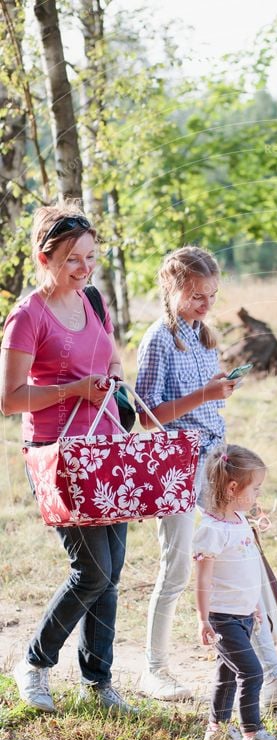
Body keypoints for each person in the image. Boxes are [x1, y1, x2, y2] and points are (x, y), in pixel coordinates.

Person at [135, 246, 277, 704]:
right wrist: (204, 394)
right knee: (179, 567)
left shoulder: (204, 336)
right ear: (172, 287)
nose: (206, 304)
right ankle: (154, 668)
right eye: (197, 295)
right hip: (177, 465)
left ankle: (273, 675)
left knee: (243, 561)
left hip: (216, 463)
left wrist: (219, 388)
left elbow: (205, 402)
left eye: (212, 294)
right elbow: (146, 416)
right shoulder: (159, 339)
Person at [0, 204, 135, 713]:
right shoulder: (28, 315)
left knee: (112, 569)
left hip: (106, 450)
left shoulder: (93, 300)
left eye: (91, 256)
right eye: (73, 259)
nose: (84, 268)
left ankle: (98, 682)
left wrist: (112, 382)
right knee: (92, 570)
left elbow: (112, 358)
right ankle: (33, 664)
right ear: (44, 257)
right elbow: (9, 398)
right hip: (57, 457)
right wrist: (74, 391)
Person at [194, 444, 277, 740]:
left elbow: (243, 571)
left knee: (226, 674)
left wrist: (254, 605)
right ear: (233, 487)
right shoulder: (212, 530)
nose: (259, 495)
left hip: (243, 615)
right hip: (222, 618)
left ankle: (217, 731)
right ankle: (254, 734)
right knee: (251, 672)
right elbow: (204, 579)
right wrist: (203, 618)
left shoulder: (239, 521)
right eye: (256, 488)